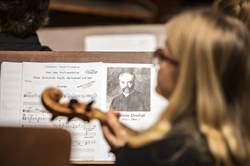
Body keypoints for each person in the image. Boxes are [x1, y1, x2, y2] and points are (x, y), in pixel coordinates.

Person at [101, 8, 250, 166]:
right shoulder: (236, 140)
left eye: (163, 55)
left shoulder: (164, 154)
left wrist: (126, 156)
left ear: (186, 72)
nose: (157, 63)